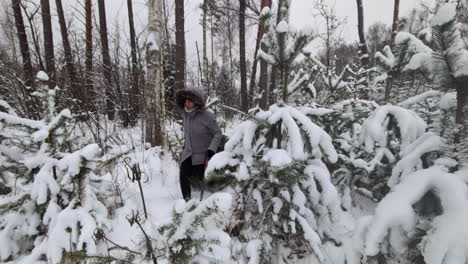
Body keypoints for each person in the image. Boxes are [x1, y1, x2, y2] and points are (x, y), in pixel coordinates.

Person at [175, 86, 222, 201]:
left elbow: (218, 133)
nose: (187, 104)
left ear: (196, 102)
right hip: (188, 153)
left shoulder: (207, 116)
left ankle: (209, 201)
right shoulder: (185, 115)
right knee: (183, 174)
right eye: (186, 101)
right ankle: (187, 200)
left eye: (190, 101)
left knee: (203, 179)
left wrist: (211, 149)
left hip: (203, 153)